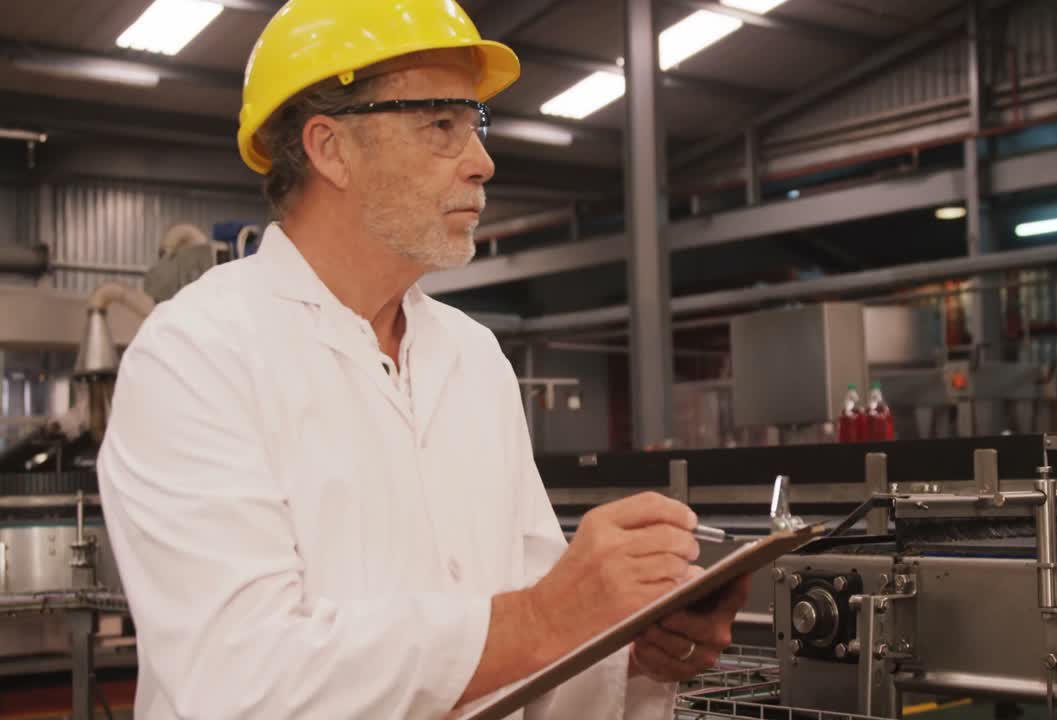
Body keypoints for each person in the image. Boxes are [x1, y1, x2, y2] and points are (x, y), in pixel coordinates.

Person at [96, 1, 749, 717]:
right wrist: (546, 619)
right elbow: (240, 678)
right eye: (442, 125)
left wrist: (630, 644)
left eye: (476, 125)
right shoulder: (197, 354)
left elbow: (530, 627)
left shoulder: (471, 358)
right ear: (330, 148)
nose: (482, 162)